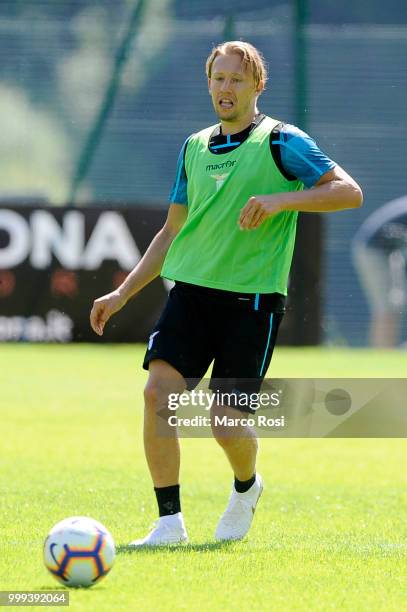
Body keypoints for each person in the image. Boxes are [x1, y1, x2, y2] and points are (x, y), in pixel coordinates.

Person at [90, 41, 363, 546]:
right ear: (208, 83)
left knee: (223, 422)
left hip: (252, 304)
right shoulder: (194, 146)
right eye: (218, 78)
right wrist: (123, 293)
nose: (225, 88)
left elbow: (348, 191)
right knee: (157, 396)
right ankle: (169, 523)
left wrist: (281, 200)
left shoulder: (283, 141)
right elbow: (172, 232)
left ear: (258, 85)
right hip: (191, 296)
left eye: (237, 79)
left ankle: (246, 486)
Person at [352, 195, 407, 347]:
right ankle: (382, 355)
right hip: (372, 250)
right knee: (386, 307)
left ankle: (387, 352)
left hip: (390, 251)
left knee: (396, 305)